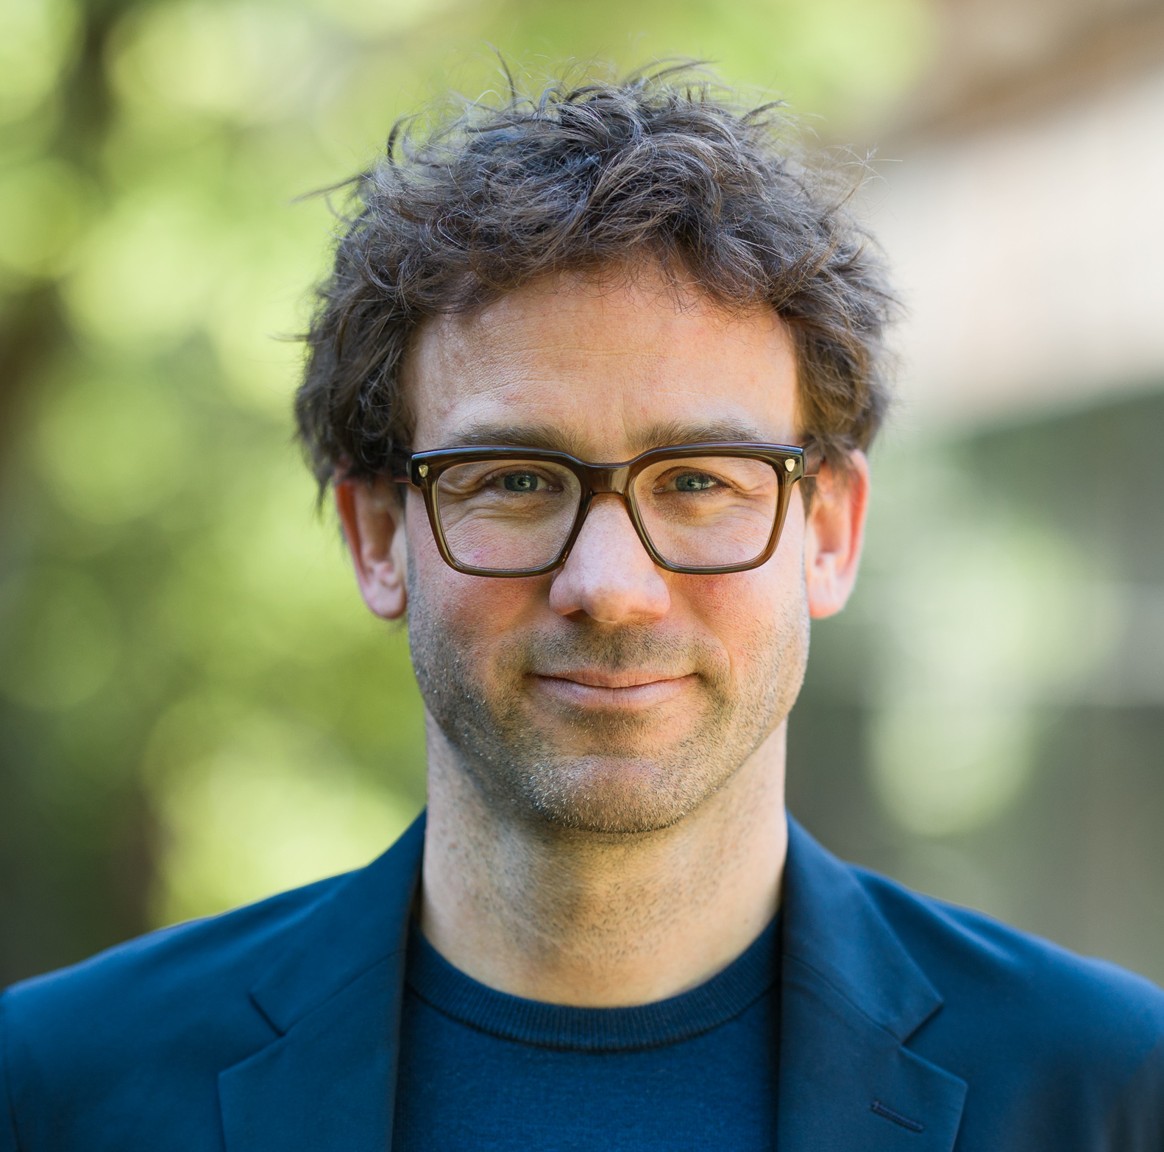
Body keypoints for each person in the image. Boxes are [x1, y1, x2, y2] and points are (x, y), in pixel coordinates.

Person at [2, 66, 1162, 1152]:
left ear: (829, 532)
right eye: (514, 480)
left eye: (698, 481)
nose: (608, 587)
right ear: (377, 537)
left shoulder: (1108, 1092)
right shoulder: (59, 1090)